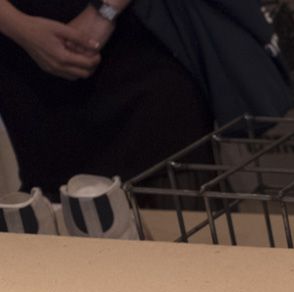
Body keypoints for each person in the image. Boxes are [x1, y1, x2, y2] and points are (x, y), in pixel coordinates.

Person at [0, 0, 210, 198]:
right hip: (31, 83)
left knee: (173, 197)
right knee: (53, 199)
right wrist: (19, 27)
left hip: (136, 53)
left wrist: (104, 11)